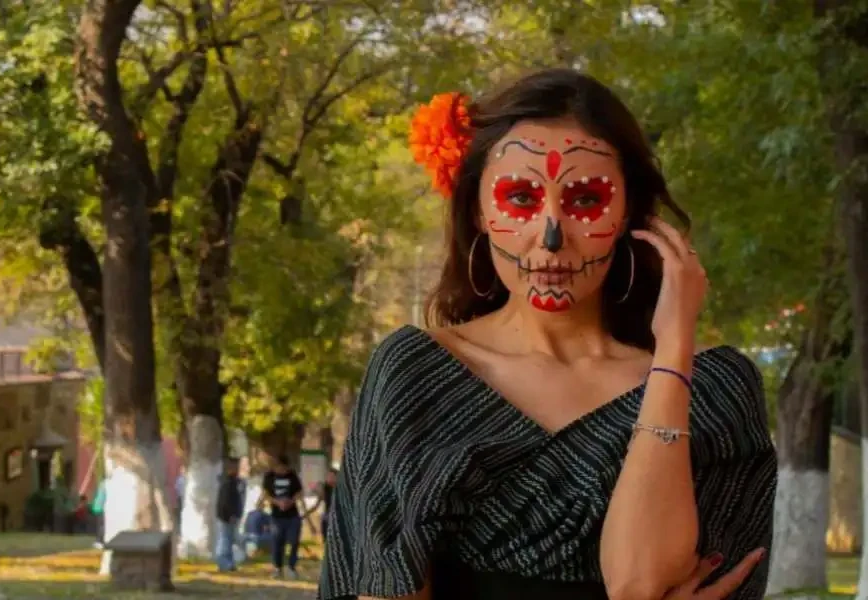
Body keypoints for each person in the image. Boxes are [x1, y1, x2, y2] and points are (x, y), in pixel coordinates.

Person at [319, 68, 777, 600]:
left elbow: (638, 583)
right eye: (520, 197)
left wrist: (673, 351)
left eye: (586, 200)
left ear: (630, 210)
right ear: (479, 209)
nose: (552, 235)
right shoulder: (416, 375)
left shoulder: (716, 391)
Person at [261, 455, 304, 579]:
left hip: (292, 515)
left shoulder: (292, 475)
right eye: (280, 468)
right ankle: (277, 568)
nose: (282, 471)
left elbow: (299, 492)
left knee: (294, 541)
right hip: (276, 516)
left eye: (284, 469)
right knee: (277, 542)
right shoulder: (269, 476)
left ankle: (291, 567)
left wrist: (290, 501)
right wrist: (277, 502)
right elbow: (265, 494)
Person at [215, 457, 243, 572]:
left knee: (229, 539)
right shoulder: (228, 482)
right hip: (226, 516)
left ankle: (229, 562)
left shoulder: (232, 481)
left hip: (230, 515)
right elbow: (226, 501)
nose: (237, 469)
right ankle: (223, 562)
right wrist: (230, 514)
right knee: (225, 539)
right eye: (235, 467)